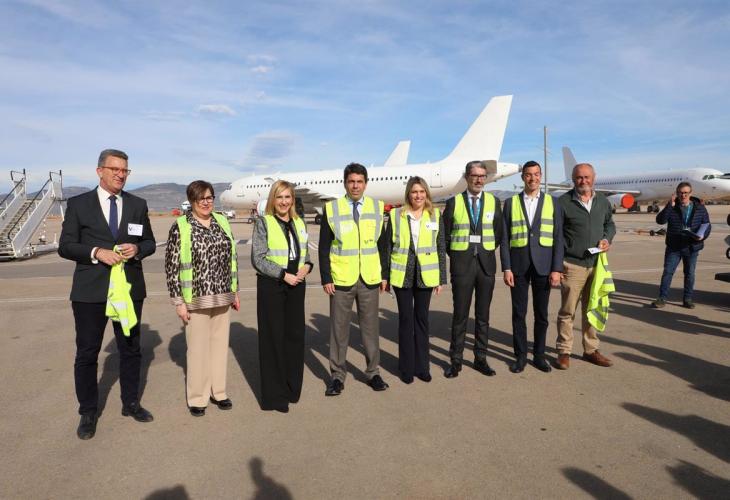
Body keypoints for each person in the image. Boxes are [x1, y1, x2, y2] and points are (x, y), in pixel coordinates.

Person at [59, 149, 156, 440]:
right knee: (87, 353)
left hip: (128, 290)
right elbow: (66, 245)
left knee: (131, 349)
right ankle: (88, 411)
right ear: (100, 171)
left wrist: (137, 248)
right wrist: (96, 252)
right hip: (91, 291)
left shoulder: (137, 204)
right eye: (115, 169)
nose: (120, 175)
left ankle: (131, 403)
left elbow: (149, 242)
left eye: (125, 170)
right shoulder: (79, 205)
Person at [164, 180, 239, 417]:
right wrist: (178, 302)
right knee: (197, 350)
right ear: (192, 200)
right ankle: (198, 397)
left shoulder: (222, 221)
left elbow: (232, 258)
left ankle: (219, 392)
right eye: (200, 199)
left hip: (223, 296)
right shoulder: (181, 226)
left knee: (219, 347)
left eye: (209, 198)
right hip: (195, 299)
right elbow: (172, 266)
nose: (206, 203)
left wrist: (235, 291)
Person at [319, 163, 390, 396]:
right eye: (351, 181)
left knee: (370, 328)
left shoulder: (377, 208)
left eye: (359, 182)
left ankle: (373, 372)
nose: (355, 186)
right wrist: (326, 277)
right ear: (345, 184)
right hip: (341, 279)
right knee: (339, 330)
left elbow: (382, 245)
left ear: (366, 184)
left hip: (369, 278)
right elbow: (324, 246)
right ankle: (337, 376)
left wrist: (384, 275)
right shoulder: (332, 209)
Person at [251, 180, 313, 413]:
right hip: (273, 285)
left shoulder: (299, 222)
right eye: (279, 197)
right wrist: (283, 275)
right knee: (273, 340)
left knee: (294, 337)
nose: (284, 202)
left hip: (297, 285)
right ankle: (275, 397)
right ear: (272, 200)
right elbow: (258, 258)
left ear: (293, 200)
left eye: (288, 197)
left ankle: (291, 388)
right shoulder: (264, 222)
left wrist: (307, 267)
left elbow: (305, 254)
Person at [500, 161, 564, 373]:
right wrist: (506, 268)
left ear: (541, 176)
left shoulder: (553, 203)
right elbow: (505, 238)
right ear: (523, 177)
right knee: (519, 314)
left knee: (541, 314)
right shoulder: (511, 203)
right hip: (518, 266)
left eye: (536, 174)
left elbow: (558, 237)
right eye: (528, 174)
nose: (533, 178)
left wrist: (556, 269)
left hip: (544, 266)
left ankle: (539, 355)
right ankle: (520, 356)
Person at [442, 160, 504, 378]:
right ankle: (456, 360)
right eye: (474, 175)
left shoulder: (494, 202)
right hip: (462, 265)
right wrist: (459, 254)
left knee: (482, 316)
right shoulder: (453, 202)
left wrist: (484, 250)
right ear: (467, 177)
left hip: (486, 265)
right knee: (460, 315)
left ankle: (480, 358)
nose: (478, 180)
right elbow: (445, 236)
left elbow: (498, 233)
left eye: (482, 176)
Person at [384, 177, 447, 384]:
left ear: (426, 193)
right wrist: (385, 276)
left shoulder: (435, 215)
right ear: (408, 194)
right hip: (402, 274)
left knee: (422, 320)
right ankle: (406, 368)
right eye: (414, 192)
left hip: (425, 276)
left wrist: (441, 278)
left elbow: (440, 247)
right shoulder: (396, 215)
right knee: (405, 321)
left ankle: (422, 367)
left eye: (421, 192)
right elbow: (387, 247)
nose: (418, 196)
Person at [555, 163, 616, 370]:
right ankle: (564, 351)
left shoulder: (602, 201)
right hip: (572, 265)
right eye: (579, 177)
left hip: (596, 264)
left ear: (594, 178)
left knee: (592, 307)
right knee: (567, 311)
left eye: (587, 177)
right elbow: (557, 234)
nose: (583, 181)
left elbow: (610, 224)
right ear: (573, 179)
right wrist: (559, 262)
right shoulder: (563, 202)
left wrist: (607, 238)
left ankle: (591, 350)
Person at [652, 182, 711, 309]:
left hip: (692, 246)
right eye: (680, 193)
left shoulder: (700, 208)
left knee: (690, 274)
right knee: (668, 272)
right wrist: (669, 206)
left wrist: (703, 236)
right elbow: (660, 220)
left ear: (690, 193)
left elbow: (707, 224)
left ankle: (687, 299)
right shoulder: (672, 207)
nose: (683, 195)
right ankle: (662, 298)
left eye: (685, 193)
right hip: (674, 246)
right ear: (676, 193)